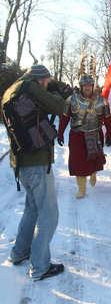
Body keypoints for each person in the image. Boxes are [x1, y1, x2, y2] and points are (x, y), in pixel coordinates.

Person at [2, 64, 65, 281]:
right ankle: (39, 266)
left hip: (19, 162)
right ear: (40, 80)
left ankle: (19, 252)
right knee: (49, 215)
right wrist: (55, 91)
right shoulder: (31, 86)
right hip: (37, 162)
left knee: (31, 209)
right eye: (47, 82)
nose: (48, 85)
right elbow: (59, 107)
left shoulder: (11, 89)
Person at [57, 75, 111, 198]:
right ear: (81, 86)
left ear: (93, 86)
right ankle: (81, 188)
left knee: (95, 159)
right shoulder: (71, 100)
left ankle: (93, 173)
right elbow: (65, 117)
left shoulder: (102, 101)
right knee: (79, 162)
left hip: (95, 134)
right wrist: (60, 133)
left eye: (89, 86)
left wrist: (110, 134)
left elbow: (108, 119)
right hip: (78, 135)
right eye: (85, 86)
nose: (87, 88)